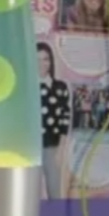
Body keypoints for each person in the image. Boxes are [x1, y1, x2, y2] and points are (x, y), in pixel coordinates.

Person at [38, 42, 70, 199]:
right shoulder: (26, 87)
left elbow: (65, 119)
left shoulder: (60, 87)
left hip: (52, 148)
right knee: (29, 196)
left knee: (55, 193)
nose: (41, 64)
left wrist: (61, 150)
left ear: (51, 61)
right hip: (30, 149)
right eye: (37, 59)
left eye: (45, 59)